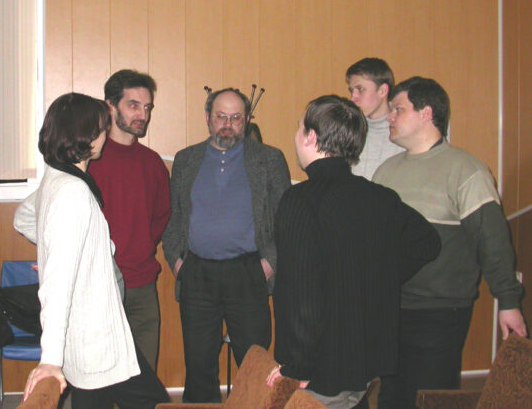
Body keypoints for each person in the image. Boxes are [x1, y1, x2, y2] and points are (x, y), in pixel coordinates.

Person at [265, 95, 441, 409]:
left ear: (311, 137)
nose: (296, 135)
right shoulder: (381, 197)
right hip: (366, 360)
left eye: (299, 127)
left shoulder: (300, 200)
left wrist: (296, 368)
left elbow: (300, 296)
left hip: (322, 367)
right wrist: (379, 276)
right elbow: (427, 242)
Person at [372, 77, 527, 408]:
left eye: (398, 109)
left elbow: (492, 241)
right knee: (391, 396)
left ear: (426, 113)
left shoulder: (466, 170)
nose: (389, 117)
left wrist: (508, 301)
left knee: (431, 398)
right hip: (390, 307)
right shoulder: (385, 172)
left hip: (440, 311)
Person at [15, 93, 168, 409]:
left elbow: (23, 218)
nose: (106, 134)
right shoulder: (72, 191)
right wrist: (50, 360)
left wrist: (60, 250)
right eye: (101, 127)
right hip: (95, 336)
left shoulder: (60, 178)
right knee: (151, 401)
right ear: (85, 134)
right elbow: (57, 285)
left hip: (93, 335)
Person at [162, 87, 291, 403]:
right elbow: (173, 217)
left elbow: (286, 221)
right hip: (196, 272)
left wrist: (268, 265)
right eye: (221, 116)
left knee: (255, 362)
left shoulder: (269, 159)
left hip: (248, 271)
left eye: (236, 118)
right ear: (208, 117)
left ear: (246, 120)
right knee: (198, 363)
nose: (228, 124)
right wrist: (178, 264)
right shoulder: (186, 159)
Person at [88, 69, 170, 371]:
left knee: (144, 377)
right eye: (133, 105)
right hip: (99, 287)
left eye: (147, 107)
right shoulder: (88, 160)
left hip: (142, 285)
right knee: (97, 377)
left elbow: (161, 217)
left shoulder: (152, 163)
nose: (142, 115)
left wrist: (141, 246)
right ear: (110, 106)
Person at [346, 58, 404, 179]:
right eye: (352, 91)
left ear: (382, 91)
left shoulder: (405, 131)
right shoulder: (348, 130)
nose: (353, 98)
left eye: (360, 89)